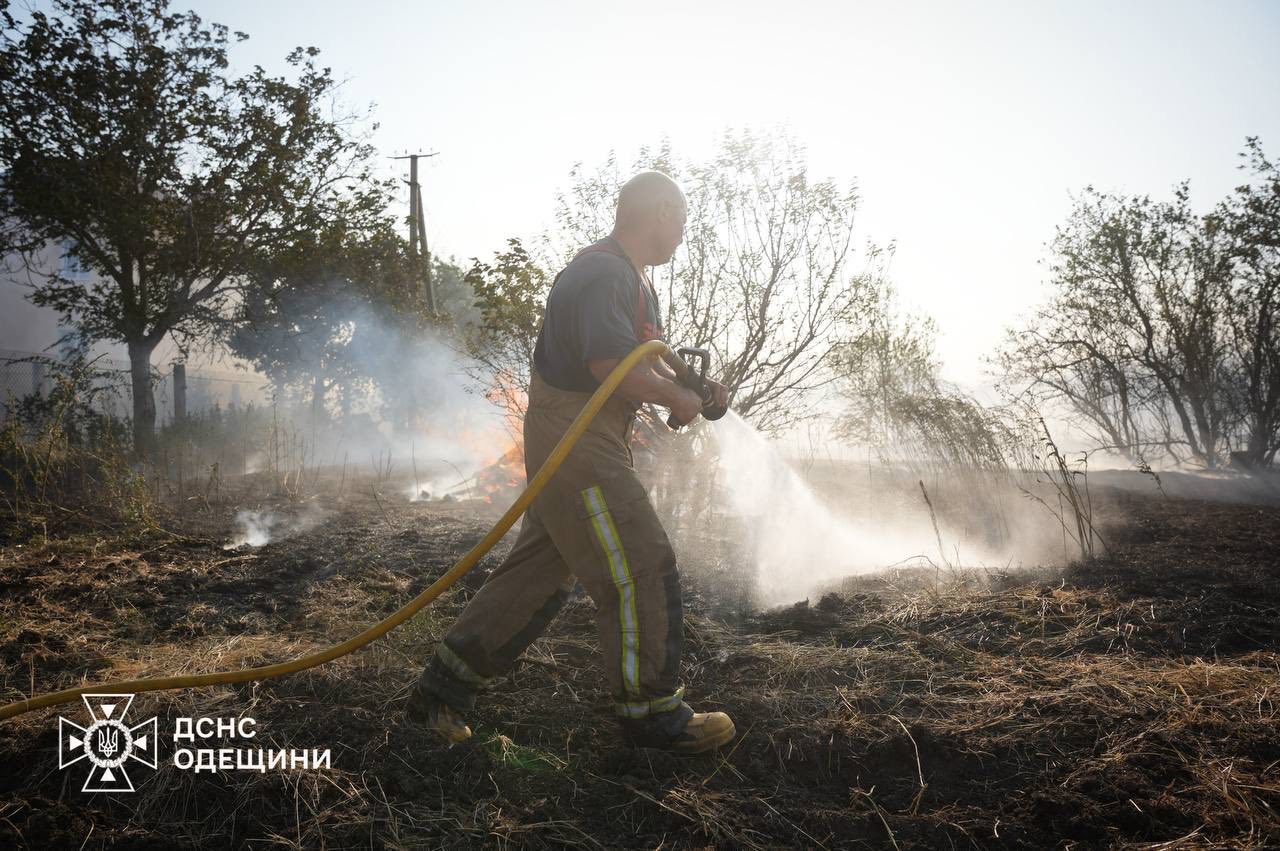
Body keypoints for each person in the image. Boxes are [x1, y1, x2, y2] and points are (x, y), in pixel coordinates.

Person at [406, 171, 735, 754]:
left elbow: (640, 362)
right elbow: (608, 365)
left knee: (538, 572)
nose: (684, 232)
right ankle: (652, 715)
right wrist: (676, 396)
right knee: (641, 561)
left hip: (584, 436)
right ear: (660, 211)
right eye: (682, 219)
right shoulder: (604, 272)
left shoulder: (631, 279)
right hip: (576, 439)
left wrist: (692, 389)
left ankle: (440, 693)